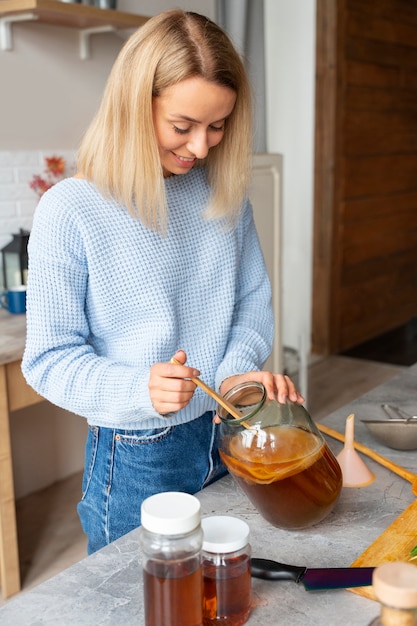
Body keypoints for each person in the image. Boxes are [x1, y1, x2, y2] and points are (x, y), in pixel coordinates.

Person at [22, 9, 304, 554]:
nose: (201, 148)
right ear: (133, 106)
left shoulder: (222, 195)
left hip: (227, 432)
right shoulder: (71, 209)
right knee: (137, 601)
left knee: (219, 584)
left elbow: (251, 304)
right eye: (182, 126)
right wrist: (140, 389)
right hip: (138, 451)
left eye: (218, 125)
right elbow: (48, 360)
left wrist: (230, 379)